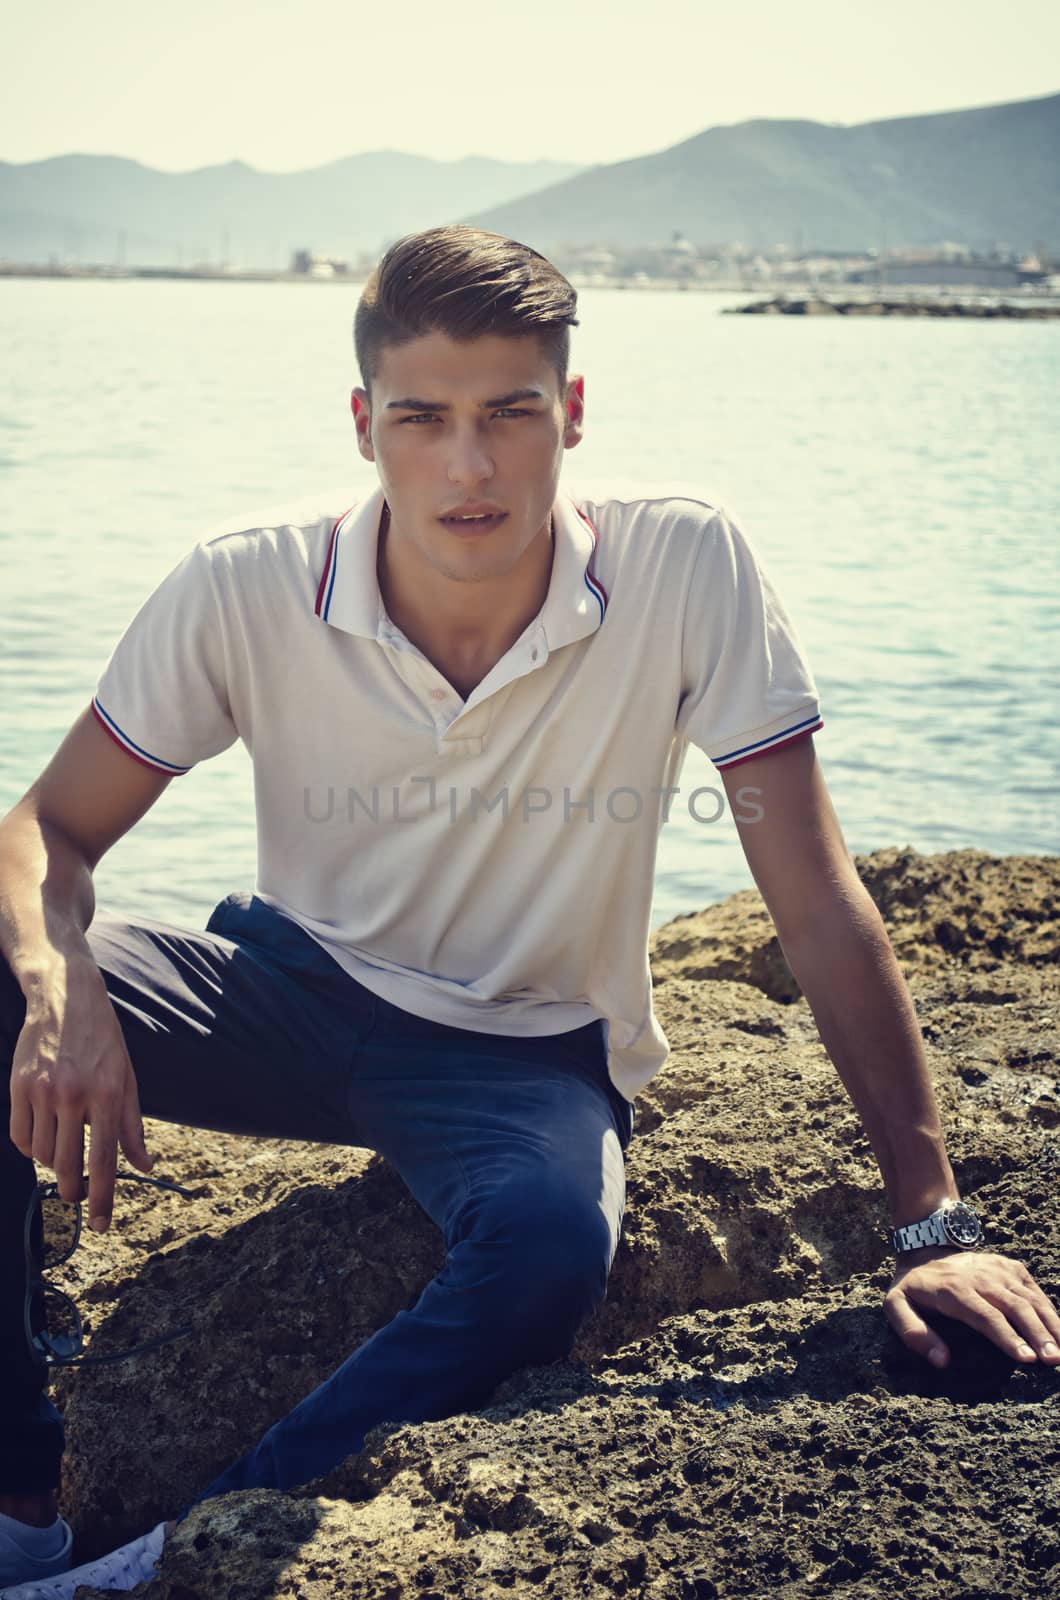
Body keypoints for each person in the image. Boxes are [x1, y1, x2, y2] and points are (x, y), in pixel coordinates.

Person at [1, 224, 1057, 1599]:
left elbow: (813, 893)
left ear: (570, 410)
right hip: (288, 988)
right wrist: (55, 982)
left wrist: (931, 1223)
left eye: (509, 414)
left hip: (524, 1053)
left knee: (553, 1246)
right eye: (422, 419)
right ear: (363, 424)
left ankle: (174, 1550)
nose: (470, 465)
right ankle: (26, 1501)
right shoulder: (246, 580)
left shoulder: (686, 567)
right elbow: (48, 828)